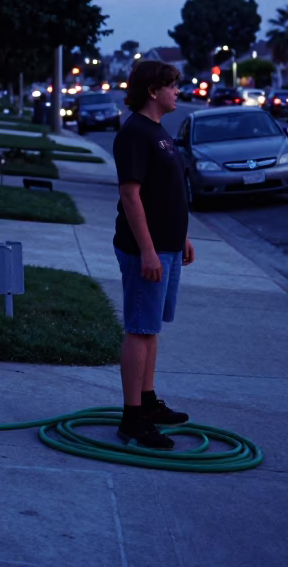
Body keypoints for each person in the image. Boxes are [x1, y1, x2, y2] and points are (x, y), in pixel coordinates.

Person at [112, 60, 195, 449]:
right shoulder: (134, 133)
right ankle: (132, 420)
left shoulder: (158, 132)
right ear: (152, 90)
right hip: (146, 250)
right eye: (172, 85)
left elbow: (168, 190)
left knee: (152, 329)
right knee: (139, 328)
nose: (177, 91)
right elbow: (131, 195)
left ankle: (147, 403)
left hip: (168, 247)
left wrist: (183, 236)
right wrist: (147, 251)